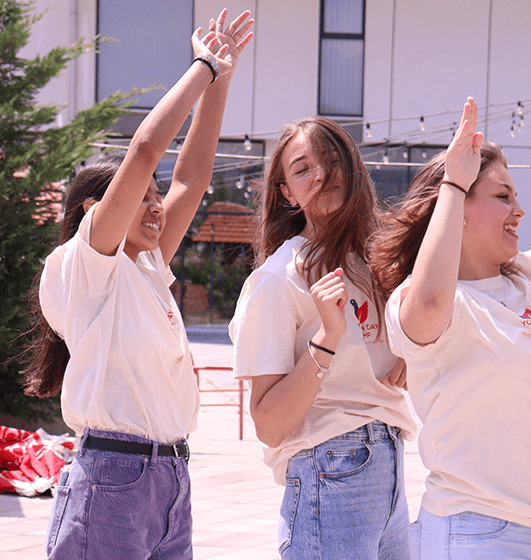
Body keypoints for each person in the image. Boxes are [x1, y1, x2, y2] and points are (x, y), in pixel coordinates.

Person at [22, 9, 254, 559]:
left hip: (171, 477)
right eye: (143, 198)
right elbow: (147, 150)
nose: (157, 207)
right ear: (94, 211)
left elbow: (192, 179)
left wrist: (221, 80)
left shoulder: (146, 268)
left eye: (156, 197)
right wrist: (202, 66)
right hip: (113, 480)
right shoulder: (82, 268)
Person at [369, 96, 531, 560]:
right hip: (478, 531)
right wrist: (452, 182)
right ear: (458, 210)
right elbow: (428, 303)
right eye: (503, 196)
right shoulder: (424, 301)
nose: (519, 210)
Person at [228, 114, 416, 559]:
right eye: (302, 168)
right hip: (328, 470)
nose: (322, 174)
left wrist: (411, 350)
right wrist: (326, 340)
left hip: (389, 467)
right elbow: (270, 424)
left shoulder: (378, 263)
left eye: (331, 160)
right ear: (287, 195)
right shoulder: (279, 279)